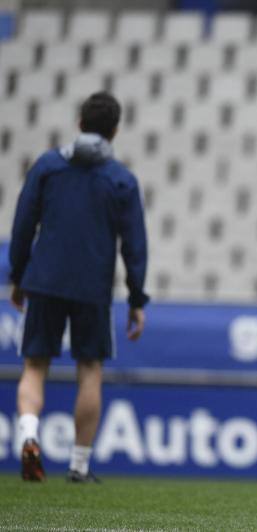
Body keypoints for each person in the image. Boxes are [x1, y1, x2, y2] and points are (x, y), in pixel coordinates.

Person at [9, 92, 149, 483]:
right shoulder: (121, 179)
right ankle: (79, 465)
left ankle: (29, 437)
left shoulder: (48, 166)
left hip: (46, 280)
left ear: (79, 123)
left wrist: (18, 277)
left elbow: (22, 226)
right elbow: (135, 246)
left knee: (35, 366)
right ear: (115, 130)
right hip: (92, 287)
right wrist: (137, 300)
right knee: (89, 370)